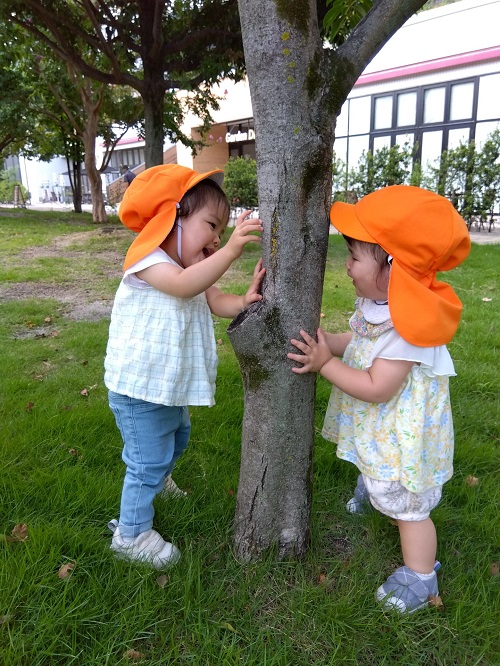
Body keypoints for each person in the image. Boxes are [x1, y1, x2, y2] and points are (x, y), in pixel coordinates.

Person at [288, 185, 470, 613]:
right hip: (386, 425)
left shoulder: (412, 326)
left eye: (354, 257)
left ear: (393, 265)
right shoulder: (381, 302)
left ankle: (421, 578)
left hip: (401, 430)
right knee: (381, 475)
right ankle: (375, 486)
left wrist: (323, 365)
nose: (346, 266)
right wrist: (328, 343)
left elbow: (376, 386)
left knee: (408, 507)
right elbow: (359, 337)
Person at [105, 164, 265, 569]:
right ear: (172, 216)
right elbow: (183, 286)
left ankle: (157, 484)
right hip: (138, 389)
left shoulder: (191, 268)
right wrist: (230, 252)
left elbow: (214, 300)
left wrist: (244, 301)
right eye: (211, 225)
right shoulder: (149, 259)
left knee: (177, 439)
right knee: (146, 462)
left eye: (221, 232)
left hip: (164, 387)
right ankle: (131, 533)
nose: (216, 239)